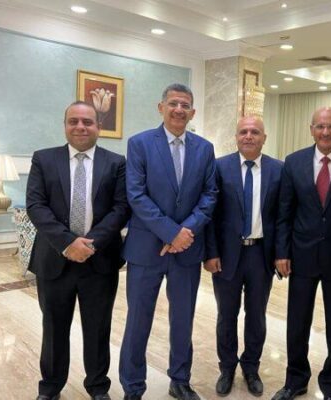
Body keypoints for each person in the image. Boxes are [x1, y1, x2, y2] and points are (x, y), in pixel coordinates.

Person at [119, 83, 217, 400]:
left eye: (185, 105)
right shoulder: (139, 144)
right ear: (160, 107)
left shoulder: (205, 149)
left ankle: (180, 380)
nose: (179, 110)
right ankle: (133, 386)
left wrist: (185, 232)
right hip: (145, 250)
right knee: (138, 320)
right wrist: (171, 232)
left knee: (183, 320)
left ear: (193, 112)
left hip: (186, 251)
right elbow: (136, 195)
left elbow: (209, 195)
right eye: (173, 103)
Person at [26, 101, 130, 400]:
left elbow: (121, 208)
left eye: (87, 122)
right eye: (74, 121)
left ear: (99, 127)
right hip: (54, 260)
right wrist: (68, 243)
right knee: (53, 328)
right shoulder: (44, 159)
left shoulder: (116, 162)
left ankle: (97, 388)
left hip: (100, 261)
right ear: (65, 125)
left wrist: (89, 244)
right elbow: (36, 205)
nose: (80, 127)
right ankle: (50, 388)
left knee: (98, 328)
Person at [272, 107, 331, 400]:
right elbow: (284, 212)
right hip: (301, 256)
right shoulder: (294, 162)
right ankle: (295, 380)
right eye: (320, 126)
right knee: (297, 323)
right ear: (311, 129)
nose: (325, 132)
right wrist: (281, 252)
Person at [204, 116, 283, 397]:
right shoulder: (219, 167)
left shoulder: (278, 169)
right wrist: (210, 252)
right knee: (226, 315)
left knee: (256, 315)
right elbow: (209, 214)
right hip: (226, 256)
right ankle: (227, 368)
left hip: (261, 254)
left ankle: (251, 367)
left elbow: (282, 216)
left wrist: (281, 254)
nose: (249, 136)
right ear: (236, 137)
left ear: (264, 137)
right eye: (244, 132)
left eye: (255, 132)